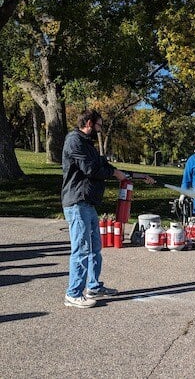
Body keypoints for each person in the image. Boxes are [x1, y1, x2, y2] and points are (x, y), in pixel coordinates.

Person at [61, 109, 154, 308]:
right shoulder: (74, 141)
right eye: (98, 125)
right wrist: (114, 173)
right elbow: (91, 170)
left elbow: (109, 167)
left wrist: (139, 176)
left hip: (88, 203)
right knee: (81, 249)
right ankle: (73, 293)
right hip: (77, 202)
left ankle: (94, 286)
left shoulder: (89, 145)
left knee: (95, 247)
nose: (100, 130)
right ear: (88, 123)